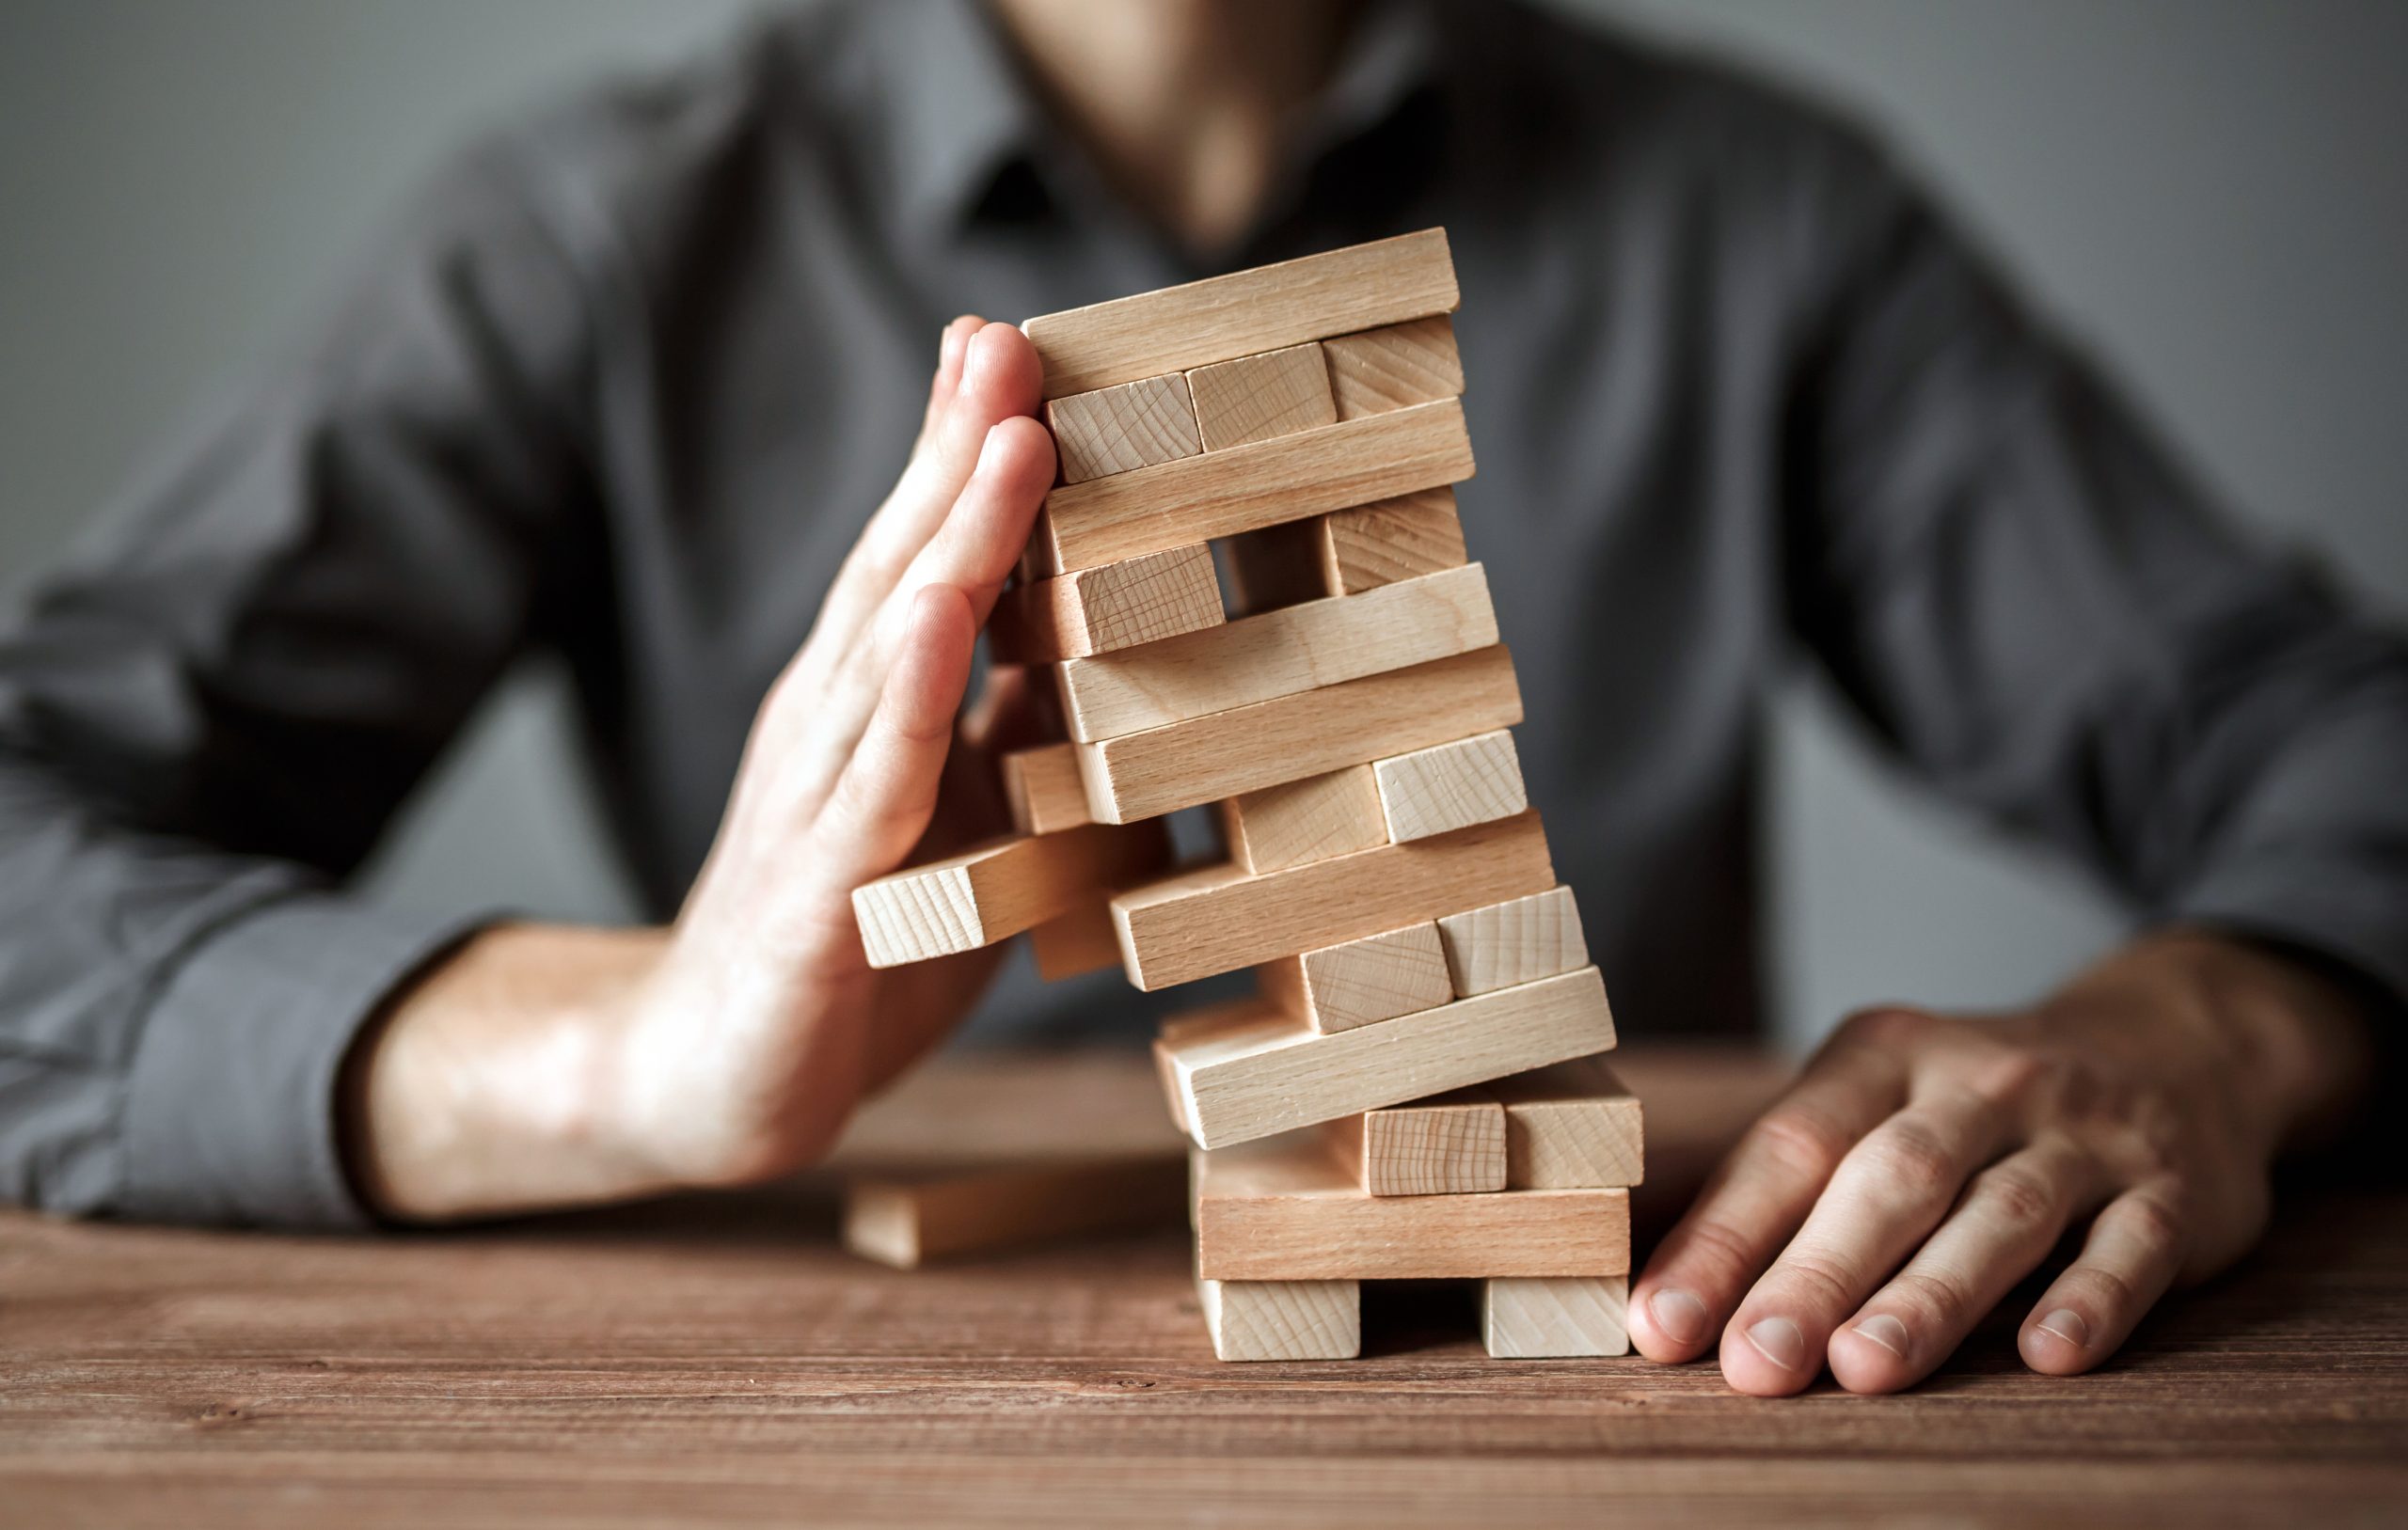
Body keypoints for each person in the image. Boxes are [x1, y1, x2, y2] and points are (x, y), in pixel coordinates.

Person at [0, 0, 2400, 1399]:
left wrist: (2212, 1019)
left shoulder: (1753, 217)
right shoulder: (594, 238)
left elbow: (2330, 738)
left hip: (1618, 1384)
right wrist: (612, 1048)